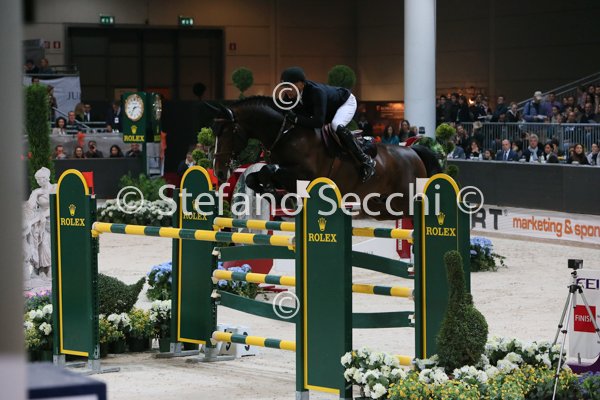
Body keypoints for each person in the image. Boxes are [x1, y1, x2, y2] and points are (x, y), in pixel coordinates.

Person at [279, 66, 375, 181]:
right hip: (328, 110)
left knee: (336, 125)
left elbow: (318, 122)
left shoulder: (316, 92)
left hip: (344, 103)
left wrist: (295, 119)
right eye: (284, 87)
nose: (286, 90)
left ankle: (365, 160)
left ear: (301, 84)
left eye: (289, 86)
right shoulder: (289, 96)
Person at [24, 167, 56, 278]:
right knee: (41, 240)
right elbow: (30, 207)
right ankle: (40, 267)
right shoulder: (37, 192)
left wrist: (40, 217)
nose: (38, 181)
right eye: (37, 179)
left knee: (47, 240)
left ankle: (50, 268)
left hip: (54, 219)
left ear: (46, 178)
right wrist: (35, 194)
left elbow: (54, 206)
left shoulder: (55, 188)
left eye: (40, 179)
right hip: (41, 220)